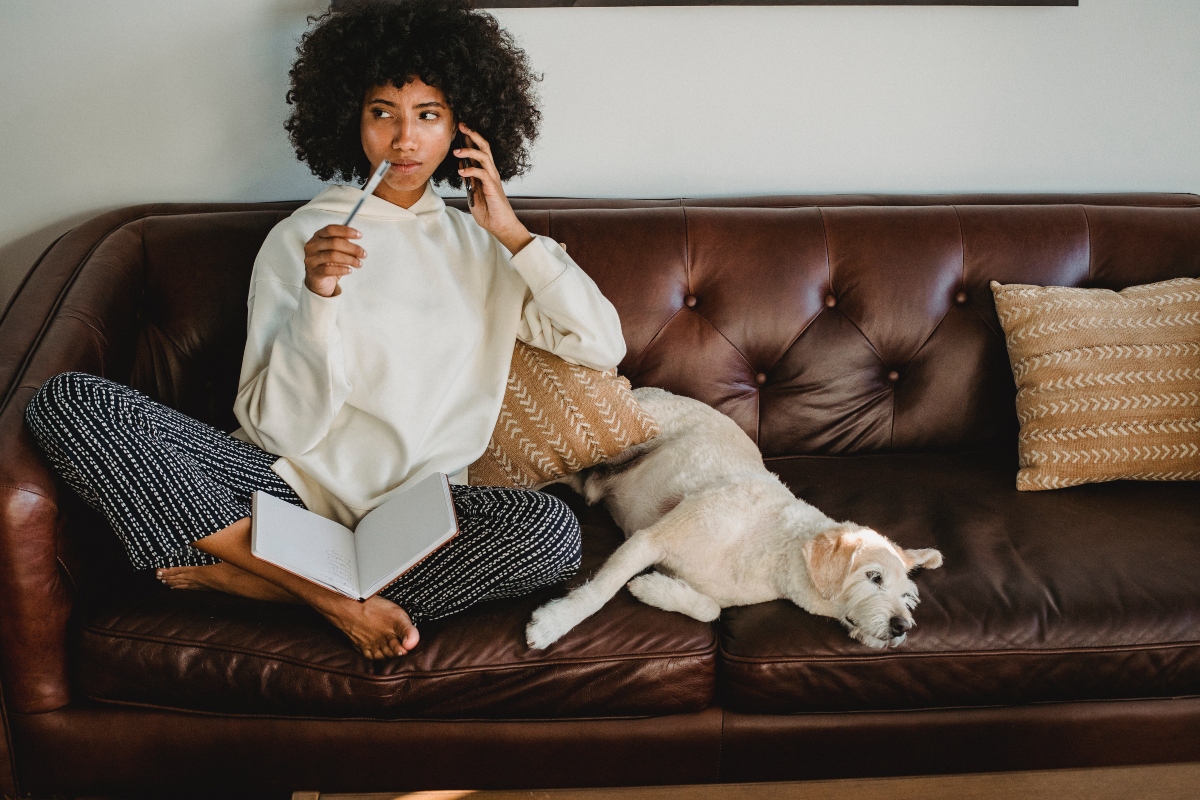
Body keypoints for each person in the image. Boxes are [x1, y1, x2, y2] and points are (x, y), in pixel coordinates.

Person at [23, 0, 625, 661]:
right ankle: (326, 597)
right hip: (280, 494)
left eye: (427, 115)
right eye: (382, 113)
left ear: (461, 128)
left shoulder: (486, 249)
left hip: (411, 520)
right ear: (349, 119)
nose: (404, 139)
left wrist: (513, 234)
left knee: (551, 533)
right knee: (70, 401)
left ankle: (261, 587)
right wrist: (320, 296)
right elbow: (280, 431)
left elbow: (601, 344)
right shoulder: (301, 240)